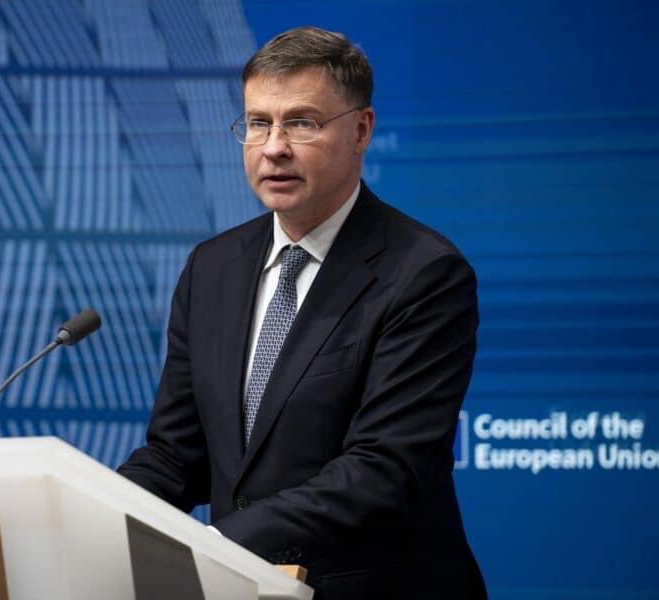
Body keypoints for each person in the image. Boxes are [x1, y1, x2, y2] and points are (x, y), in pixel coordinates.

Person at [117, 27, 487, 599]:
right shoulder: (212, 267)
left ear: (361, 130)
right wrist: (99, 515)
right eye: (258, 122)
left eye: (302, 122)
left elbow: (381, 468)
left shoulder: (423, 274)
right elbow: (176, 453)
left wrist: (215, 543)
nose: (273, 147)